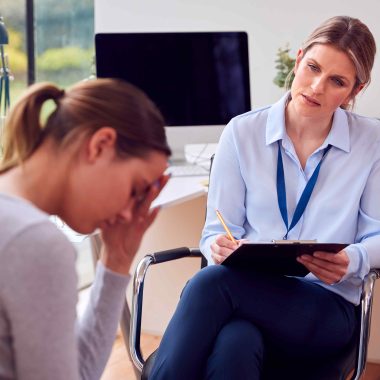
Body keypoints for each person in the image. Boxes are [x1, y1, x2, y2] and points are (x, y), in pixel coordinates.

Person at [149, 15, 380, 379]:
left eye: (336, 81)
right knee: (235, 342)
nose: (316, 87)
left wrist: (354, 258)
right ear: (299, 57)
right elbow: (215, 233)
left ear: (355, 90)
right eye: (312, 67)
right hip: (250, 295)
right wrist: (218, 247)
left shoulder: (372, 143)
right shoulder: (242, 133)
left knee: (210, 284)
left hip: (326, 308)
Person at [0, 78, 171, 379]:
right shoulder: (34, 242)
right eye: (136, 189)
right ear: (100, 145)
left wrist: (117, 259)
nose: (129, 213)